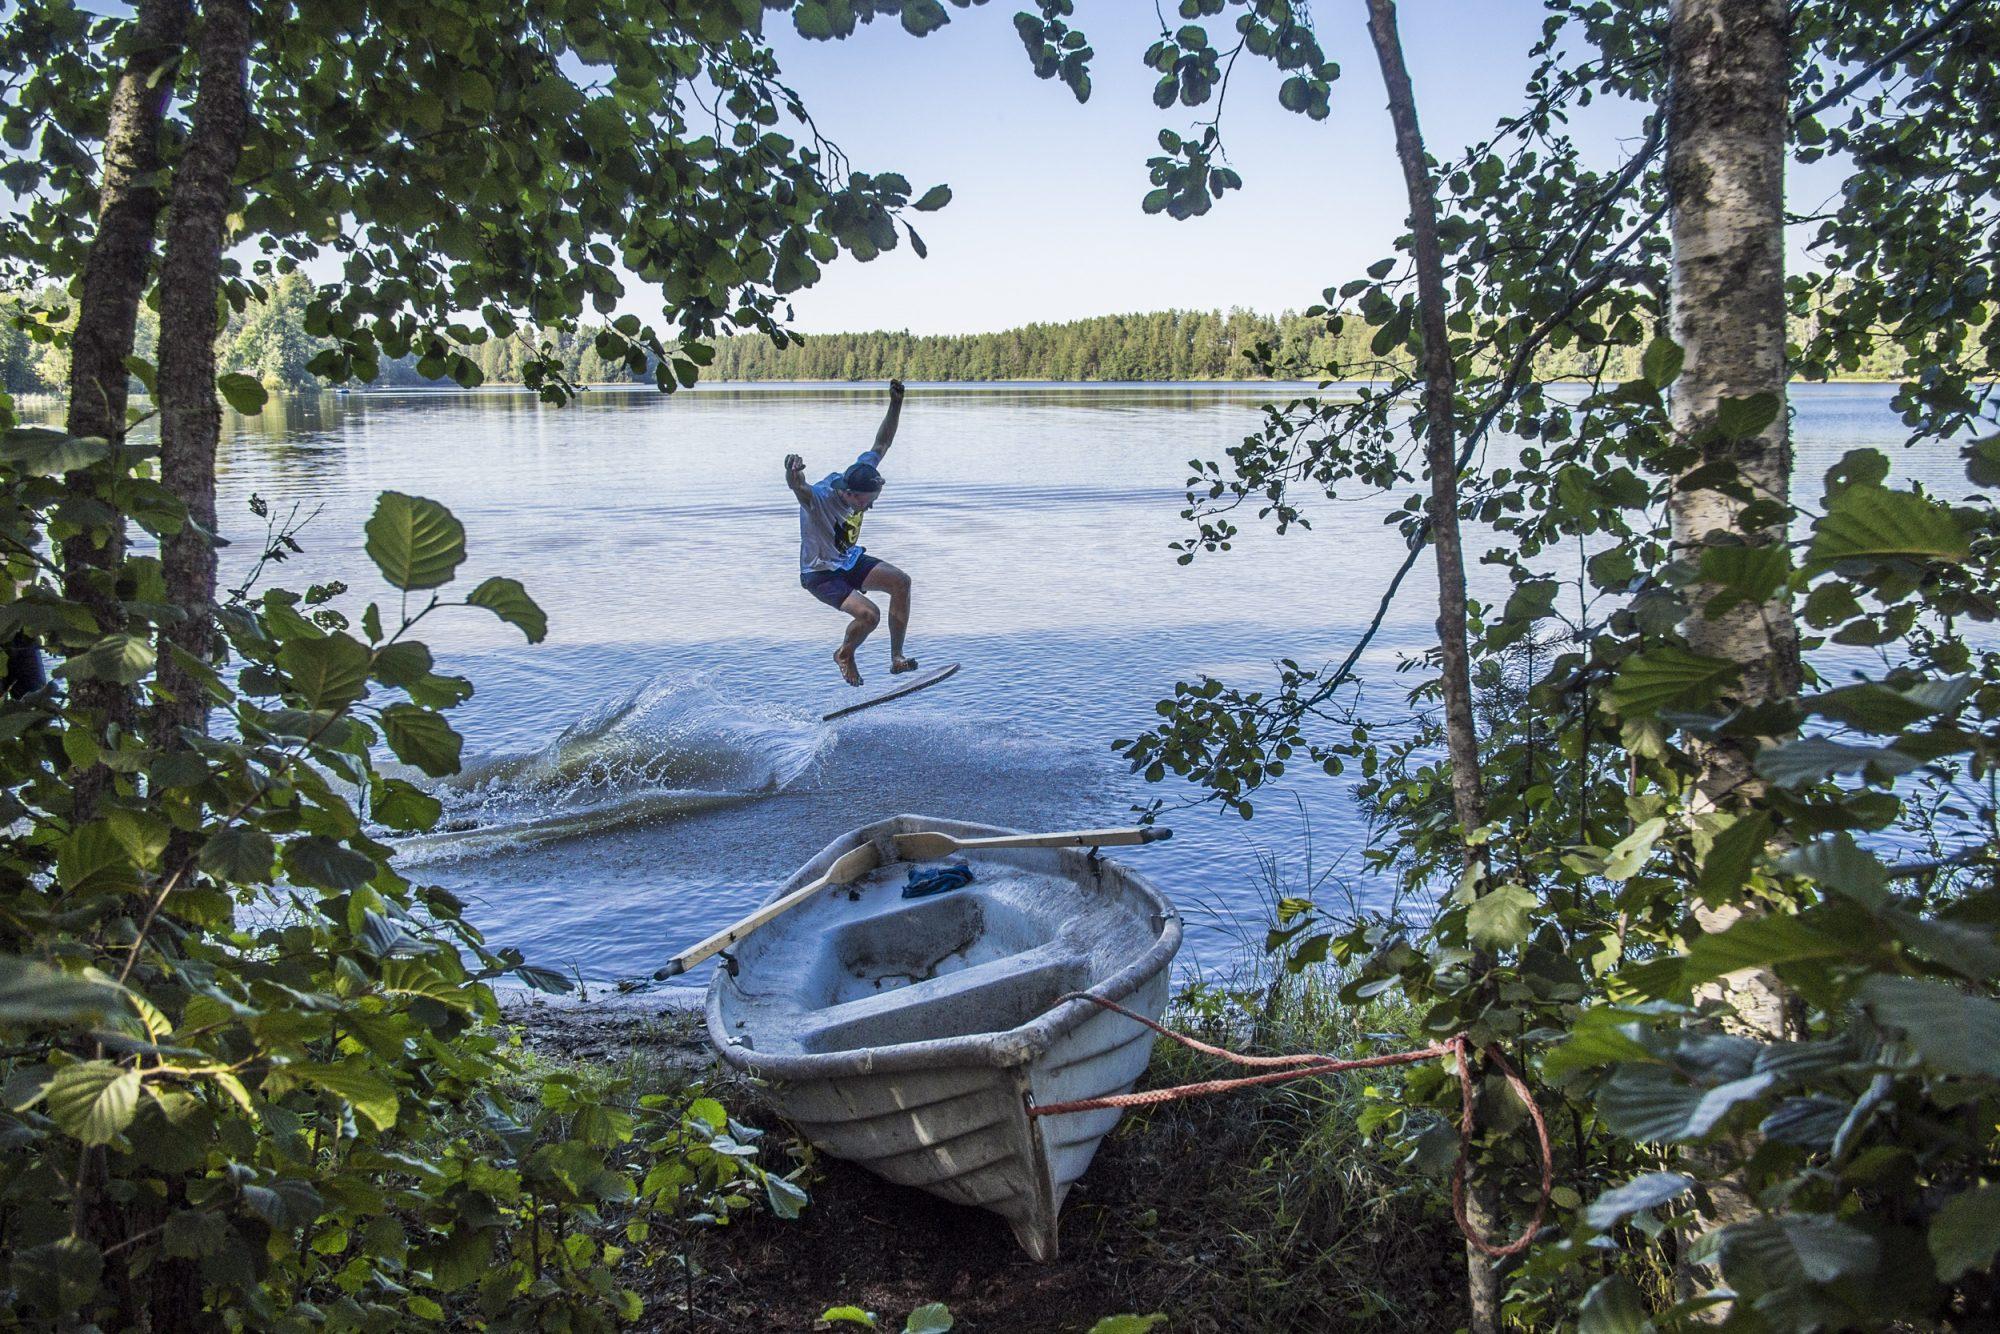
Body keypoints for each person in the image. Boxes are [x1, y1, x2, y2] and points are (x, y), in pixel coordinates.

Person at [786, 379, 917, 687]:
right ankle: (845, 654)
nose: (868, 509)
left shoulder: (861, 472)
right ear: (851, 494)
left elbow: (881, 444)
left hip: (847, 560)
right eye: (866, 502)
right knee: (869, 615)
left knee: (901, 582)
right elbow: (799, 488)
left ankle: (897, 658)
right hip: (821, 574)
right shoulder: (819, 499)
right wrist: (792, 471)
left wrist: (896, 403)